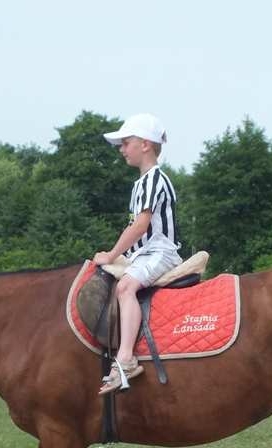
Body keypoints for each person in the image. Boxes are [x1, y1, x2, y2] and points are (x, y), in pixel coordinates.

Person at [93, 113, 182, 394]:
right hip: (144, 253)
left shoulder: (153, 179)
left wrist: (111, 254)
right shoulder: (143, 181)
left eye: (125, 142)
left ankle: (126, 359)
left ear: (145, 144)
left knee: (126, 286)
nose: (121, 149)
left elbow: (140, 225)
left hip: (160, 251)